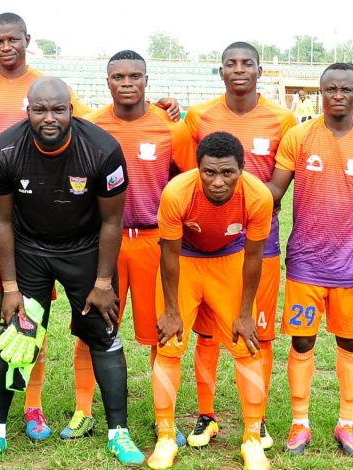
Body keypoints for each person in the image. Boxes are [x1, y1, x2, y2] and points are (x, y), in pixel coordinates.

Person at [0, 76, 144, 466]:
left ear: (70, 110)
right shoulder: (4, 150)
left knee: (103, 333)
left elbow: (112, 221)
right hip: (30, 250)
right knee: (17, 337)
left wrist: (102, 282)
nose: (49, 118)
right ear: (27, 109)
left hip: (85, 249)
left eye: (58, 110)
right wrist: (10, 286)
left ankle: (120, 433)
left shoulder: (102, 149)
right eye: (40, 110)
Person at [67, 50, 196, 443]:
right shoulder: (89, 126)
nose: (127, 83)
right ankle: (83, 411)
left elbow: (190, 181)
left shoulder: (170, 129)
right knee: (91, 327)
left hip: (153, 240)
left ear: (146, 80)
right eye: (118, 77)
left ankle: (164, 416)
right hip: (100, 242)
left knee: (161, 328)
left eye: (134, 76)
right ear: (107, 82)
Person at [182, 41, 297, 449]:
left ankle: (257, 419)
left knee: (258, 334)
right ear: (220, 72)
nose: (239, 69)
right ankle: (206, 415)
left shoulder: (283, 119)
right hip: (205, 247)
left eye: (247, 63)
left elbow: (278, 188)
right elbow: (184, 172)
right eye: (230, 63)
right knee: (207, 335)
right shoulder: (199, 116)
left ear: (260, 71)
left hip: (257, 245)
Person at [268, 63, 353, 459]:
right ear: (320, 93)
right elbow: (274, 191)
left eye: (346, 89)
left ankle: (347, 423)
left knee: (350, 342)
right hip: (305, 263)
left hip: (352, 266)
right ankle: (300, 422)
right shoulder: (299, 137)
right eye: (331, 89)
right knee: (302, 341)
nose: (338, 95)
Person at [148, 131, 272, 470]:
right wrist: (172, 311)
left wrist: (246, 313)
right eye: (209, 172)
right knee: (169, 344)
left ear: (241, 170)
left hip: (230, 262)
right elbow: (169, 255)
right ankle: (165, 436)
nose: (218, 182)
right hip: (185, 262)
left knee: (246, 345)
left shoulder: (258, 196)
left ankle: (251, 438)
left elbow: (254, 258)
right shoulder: (177, 192)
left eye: (227, 173)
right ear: (198, 168)